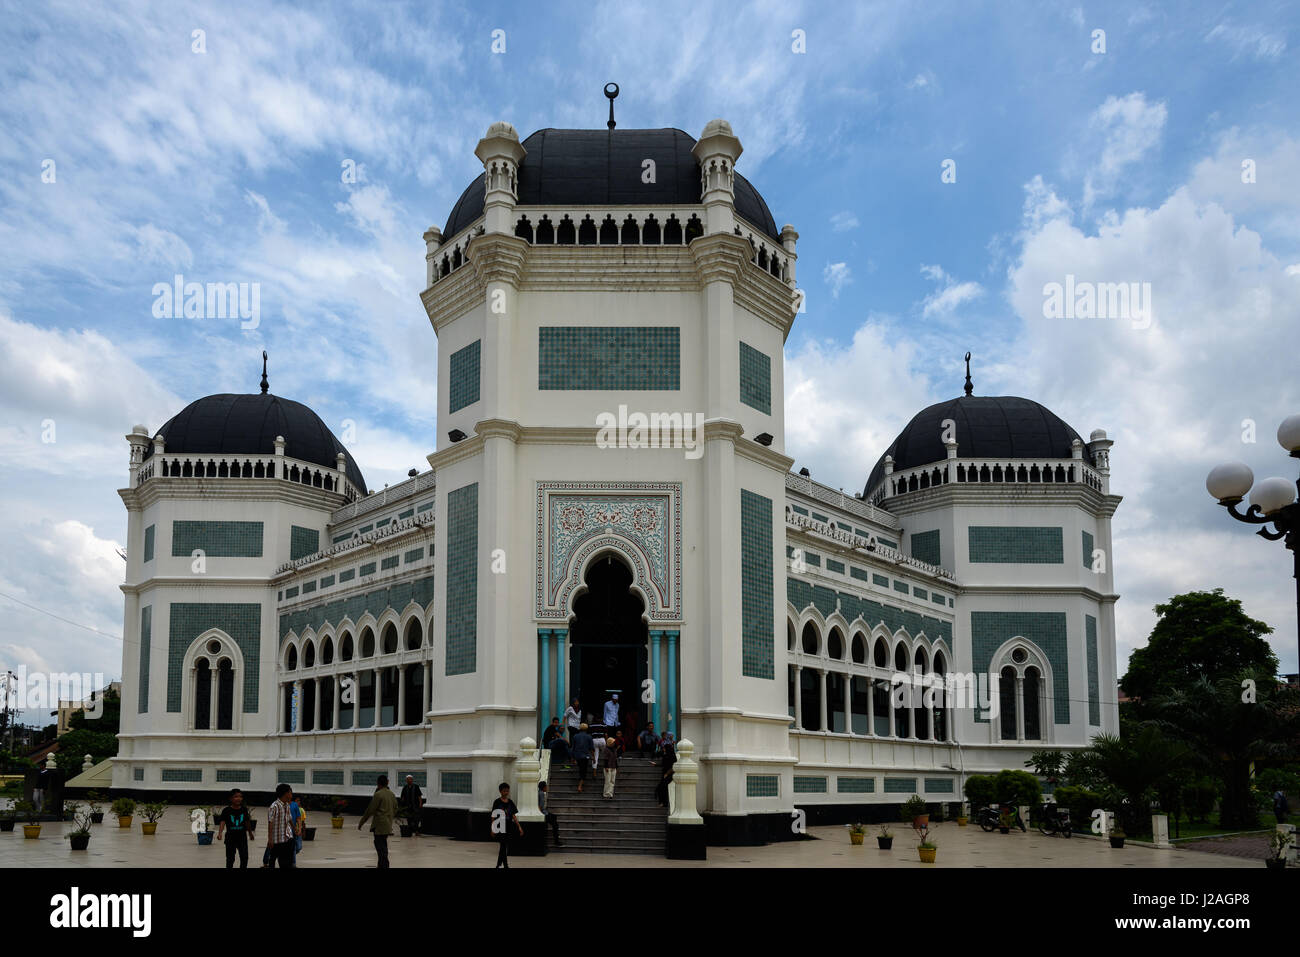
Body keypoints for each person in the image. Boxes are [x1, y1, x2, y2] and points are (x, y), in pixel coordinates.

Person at [358, 774, 399, 868]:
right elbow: (396, 808)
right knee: (383, 844)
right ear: (387, 783)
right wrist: (390, 816)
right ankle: (381, 865)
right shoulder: (391, 794)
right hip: (388, 823)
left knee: (380, 847)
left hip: (379, 824)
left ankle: (384, 865)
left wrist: (362, 822)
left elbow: (370, 810)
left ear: (378, 783)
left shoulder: (378, 794)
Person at [216, 788, 251, 869]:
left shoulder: (244, 810)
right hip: (230, 838)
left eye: (240, 797)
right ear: (231, 799)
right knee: (230, 859)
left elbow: (247, 822)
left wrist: (250, 833)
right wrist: (220, 833)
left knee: (244, 857)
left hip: (242, 838)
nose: (238, 798)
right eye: (236, 796)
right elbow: (222, 822)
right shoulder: (226, 810)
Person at [490, 782, 524, 868]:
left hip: (508, 827)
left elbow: (513, 815)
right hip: (500, 827)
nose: (506, 793)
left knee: (504, 846)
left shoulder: (510, 802)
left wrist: (519, 826)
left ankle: (499, 864)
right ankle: (505, 865)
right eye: (504, 791)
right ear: (500, 791)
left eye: (507, 791)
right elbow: (493, 816)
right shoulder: (497, 802)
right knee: (503, 845)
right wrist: (493, 828)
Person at [266, 784, 296, 868]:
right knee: (273, 860)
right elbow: (270, 822)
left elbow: (289, 818)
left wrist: (294, 829)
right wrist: (270, 839)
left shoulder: (287, 805)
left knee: (286, 862)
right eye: (290, 793)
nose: (291, 795)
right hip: (277, 840)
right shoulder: (274, 806)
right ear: (285, 793)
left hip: (287, 837)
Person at [537, 780, 563, 846]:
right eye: (546, 786)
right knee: (555, 824)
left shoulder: (539, 792)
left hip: (544, 812)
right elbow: (539, 806)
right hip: (543, 813)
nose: (547, 788)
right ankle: (556, 840)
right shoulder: (541, 794)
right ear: (543, 787)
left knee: (554, 817)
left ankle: (556, 834)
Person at [571, 722, 594, 792]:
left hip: (577, 756)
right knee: (583, 771)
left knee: (581, 769)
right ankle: (580, 786)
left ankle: (580, 782)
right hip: (585, 756)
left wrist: (573, 758)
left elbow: (573, 748)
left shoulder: (575, 736)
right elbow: (591, 748)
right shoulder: (589, 737)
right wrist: (593, 757)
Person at [655, 735, 677, 808]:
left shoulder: (672, 756)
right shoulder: (665, 755)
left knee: (663, 787)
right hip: (665, 774)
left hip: (669, 775)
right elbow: (663, 764)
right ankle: (662, 802)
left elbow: (673, 767)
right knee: (660, 787)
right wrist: (656, 765)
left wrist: (667, 774)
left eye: (664, 748)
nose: (663, 749)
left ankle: (664, 803)